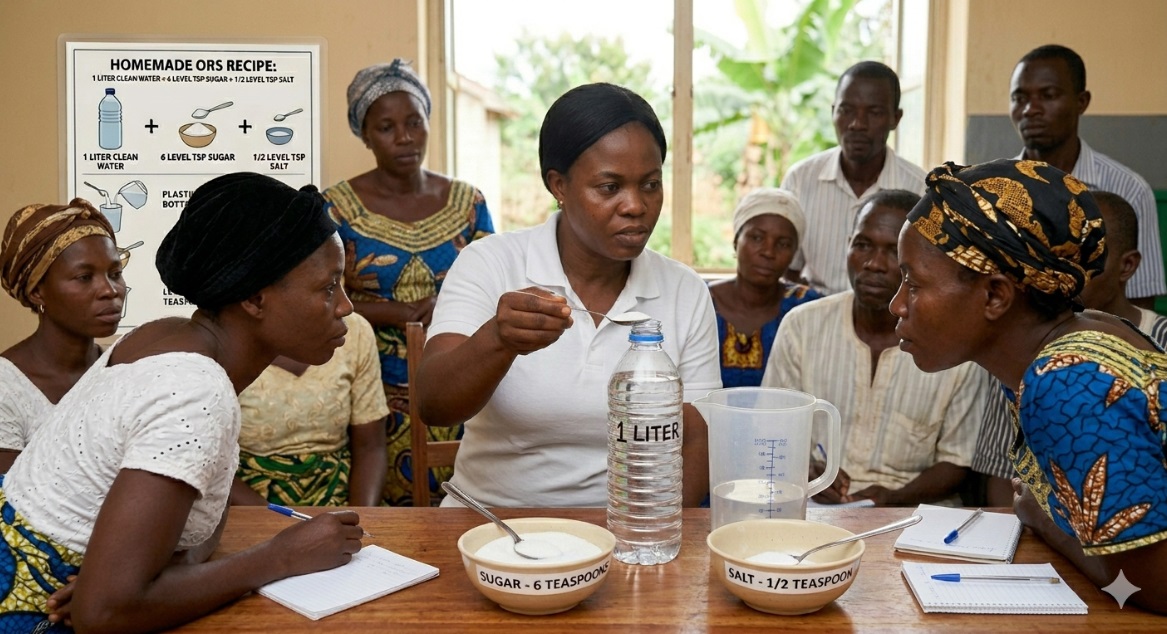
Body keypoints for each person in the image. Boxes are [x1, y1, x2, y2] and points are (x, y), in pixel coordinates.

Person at [0, 173, 366, 632]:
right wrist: (280, 556)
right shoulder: (194, 388)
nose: (346, 306)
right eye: (328, 286)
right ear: (255, 298)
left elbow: (193, 520)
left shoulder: (165, 336)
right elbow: (102, 613)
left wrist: (166, 574)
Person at [416, 82, 722, 508]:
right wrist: (497, 341)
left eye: (650, 185)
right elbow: (433, 404)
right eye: (609, 187)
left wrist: (653, 542)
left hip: (626, 532)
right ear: (558, 185)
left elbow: (695, 440)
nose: (635, 205)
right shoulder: (491, 264)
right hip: (491, 527)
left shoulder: (683, 291)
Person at [893, 159, 1167, 613]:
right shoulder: (1081, 333)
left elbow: (1151, 589)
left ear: (996, 296)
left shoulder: (1067, 382)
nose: (897, 305)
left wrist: (1048, 526)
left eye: (914, 283)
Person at [325, 59, 495, 506]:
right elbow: (318, 295)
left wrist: (450, 302)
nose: (404, 137)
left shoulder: (468, 203)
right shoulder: (335, 208)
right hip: (370, 387)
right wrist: (398, 313)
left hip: (459, 375)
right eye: (386, 127)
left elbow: (497, 283)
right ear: (364, 134)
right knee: (387, 520)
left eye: (414, 123)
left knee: (468, 508)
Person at [762, 189, 987, 506]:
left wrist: (893, 499)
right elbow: (769, 430)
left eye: (891, 251)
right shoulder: (802, 326)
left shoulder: (957, 349)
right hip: (811, 508)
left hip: (913, 515)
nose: (873, 264)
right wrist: (804, 471)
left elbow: (957, 462)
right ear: (848, 246)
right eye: (862, 245)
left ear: (919, 261)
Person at [972, 190, 1167, 506]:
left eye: (1082, 260)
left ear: (1127, 265)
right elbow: (1000, 475)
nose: (1062, 274)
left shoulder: (1159, 344)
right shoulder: (1019, 347)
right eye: (1052, 257)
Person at [1009, 44, 1164, 306]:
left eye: (1048, 95)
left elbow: (1140, 301)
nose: (1029, 110)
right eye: (1019, 98)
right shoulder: (992, 188)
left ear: (1082, 102)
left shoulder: (1127, 189)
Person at [781, 61, 927, 295]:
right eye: (846, 110)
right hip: (816, 318)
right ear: (833, 112)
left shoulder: (921, 189)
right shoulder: (800, 180)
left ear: (895, 118)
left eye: (874, 112)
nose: (857, 124)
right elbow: (788, 268)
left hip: (890, 323)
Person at [0, 199, 125, 472]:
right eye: (84, 277)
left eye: (115, 274)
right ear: (37, 291)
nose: (110, 290)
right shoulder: (6, 390)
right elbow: (12, 505)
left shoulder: (124, 372)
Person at [231, 311, 389, 507]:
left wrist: (359, 521)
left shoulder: (353, 331)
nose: (345, 304)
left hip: (339, 500)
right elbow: (205, 465)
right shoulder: (226, 337)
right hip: (244, 509)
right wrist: (274, 525)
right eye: (327, 288)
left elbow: (370, 447)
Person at [709, 188, 821, 388]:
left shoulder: (807, 308)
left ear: (795, 252)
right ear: (736, 241)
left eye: (783, 244)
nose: (768, 252)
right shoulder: (700, 301)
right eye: (757, 238)